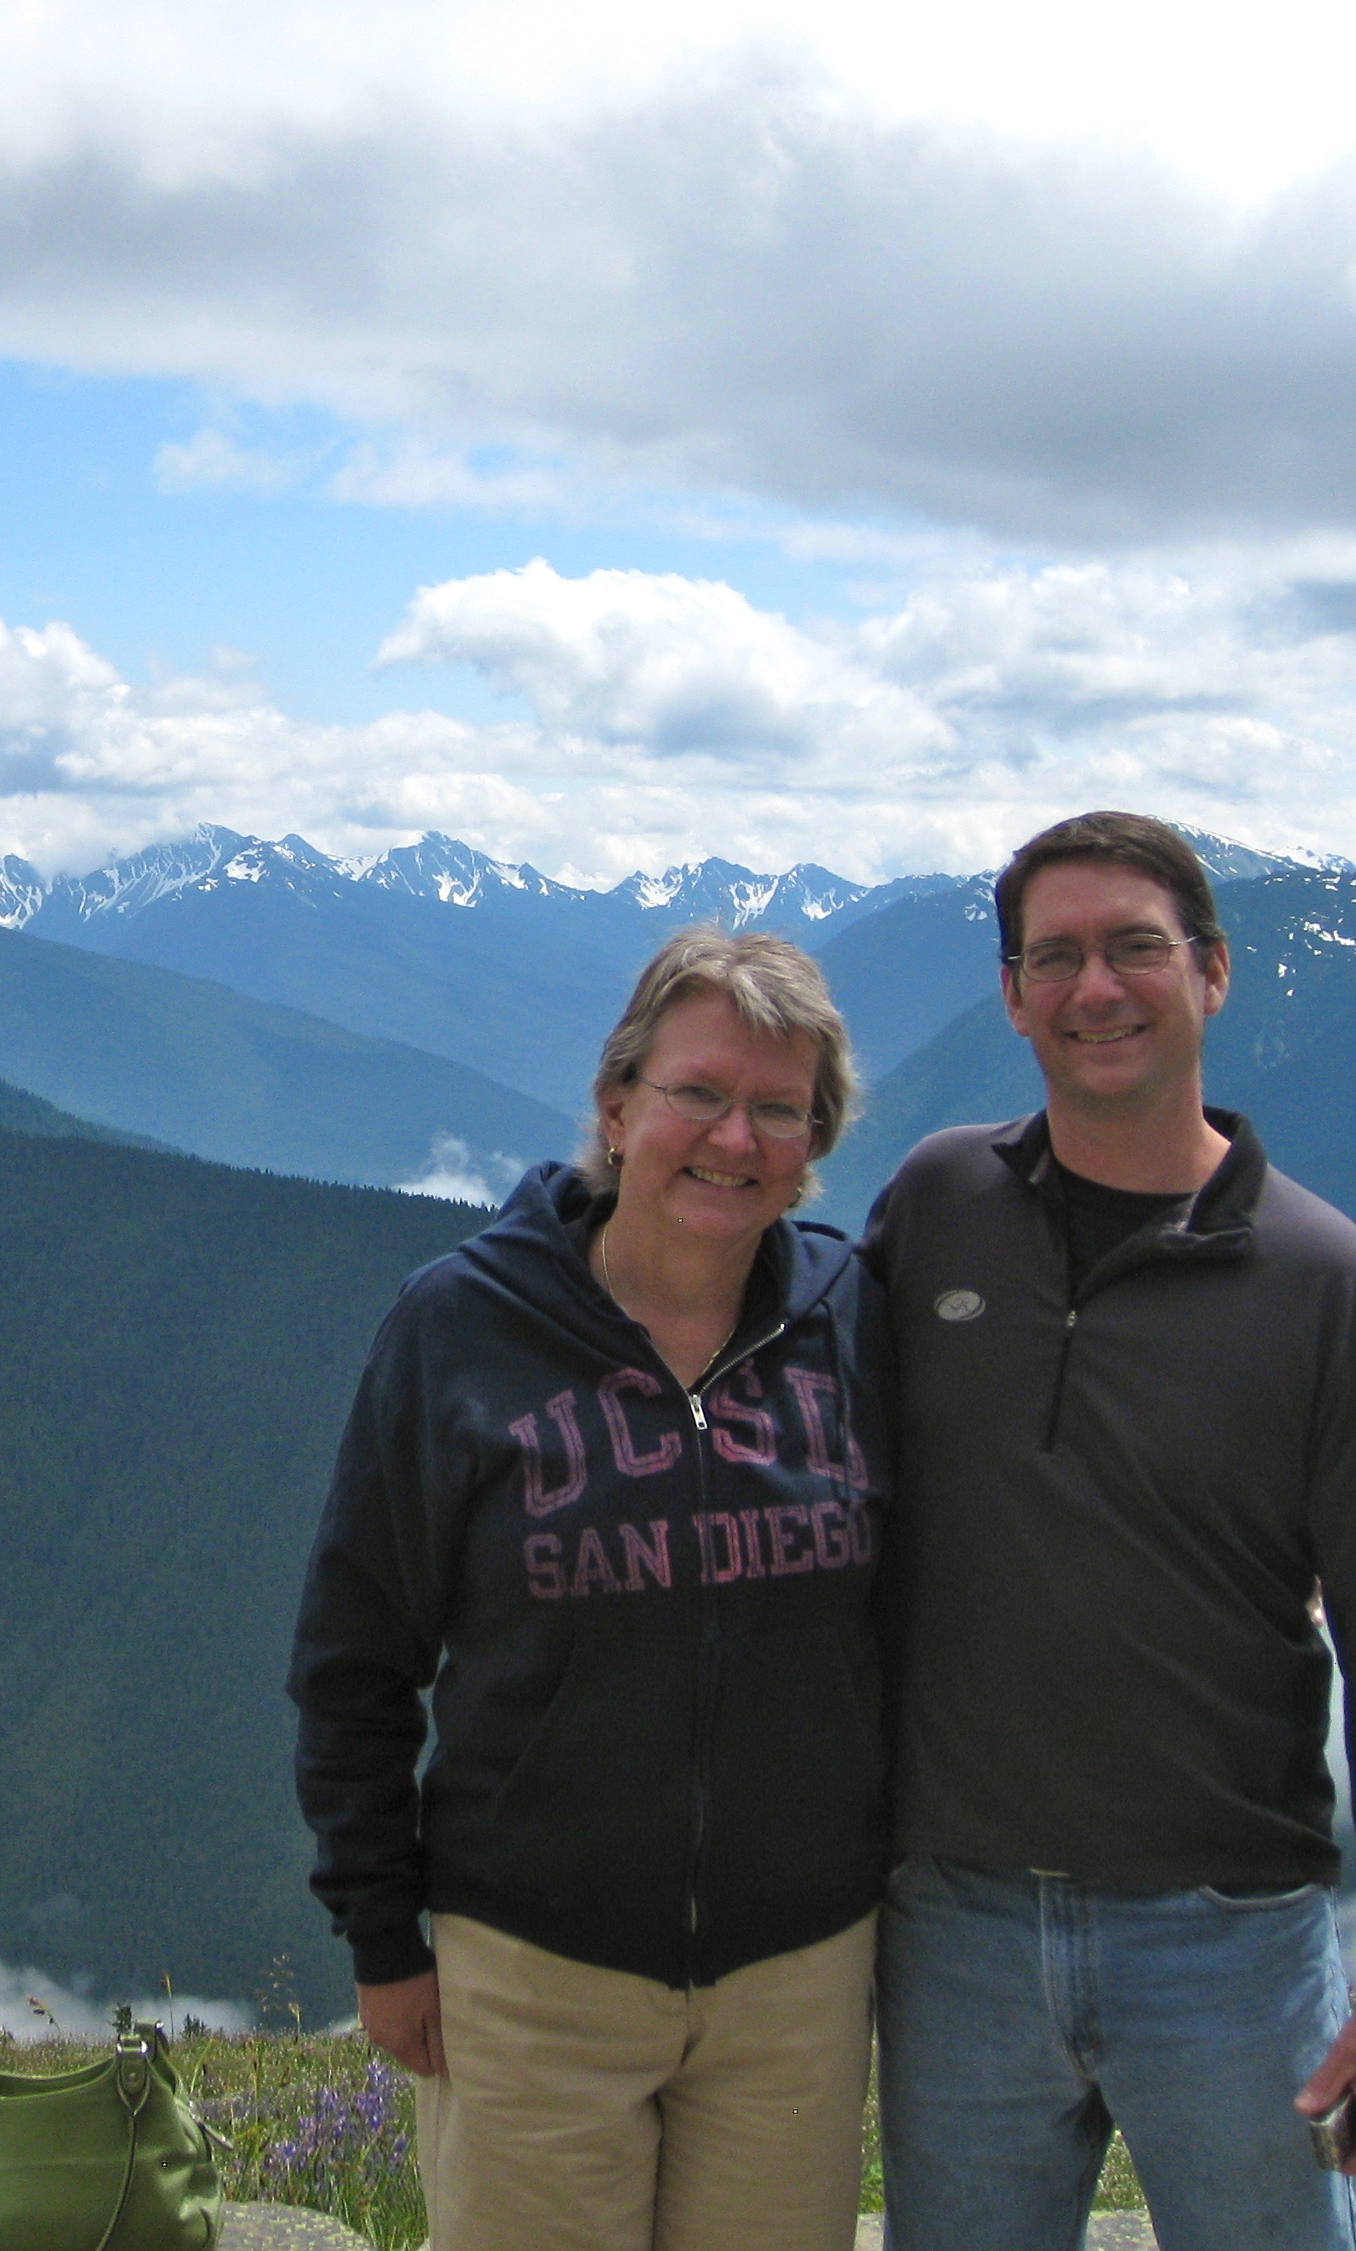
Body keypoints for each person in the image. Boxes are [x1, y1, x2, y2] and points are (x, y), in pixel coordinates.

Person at [864, 811, 1356, 2251]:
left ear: (1212, 971)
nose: (1097, 987)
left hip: (1228, 1937)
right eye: (1056, 957)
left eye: (1135, 948)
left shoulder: (1331, 1290)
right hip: (954, 1922)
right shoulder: (938, 1205)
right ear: (1012, 995)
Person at [288, 928, 890, 2251]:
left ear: (813, 1144)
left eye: (777, 1109)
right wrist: (382, 1937)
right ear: (617, 1108)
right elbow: (356, 1655)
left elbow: (918, 1616)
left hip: (796, 1980)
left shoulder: (852, 1320)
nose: (733, 1137)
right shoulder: (461, 1325)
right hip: (533, 1974)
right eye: (696, 1093)